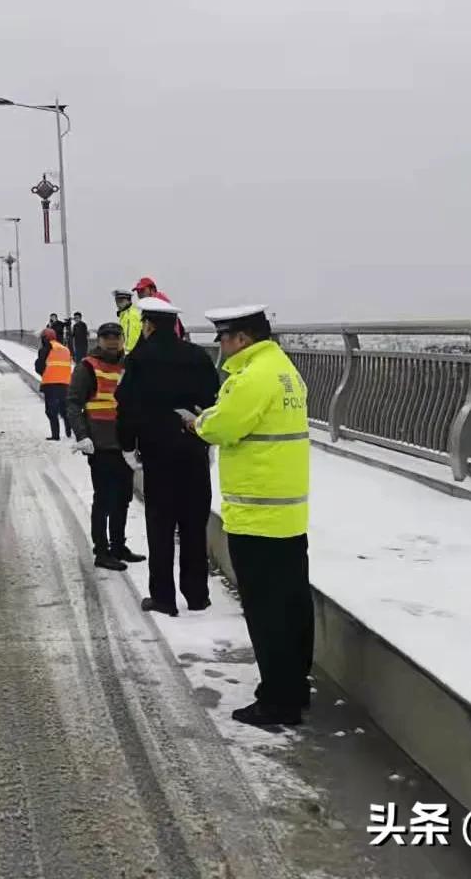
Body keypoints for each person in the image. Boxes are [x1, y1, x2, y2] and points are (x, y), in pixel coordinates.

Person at [186, 305, 312, 729]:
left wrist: (198, 423)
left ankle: (277, 702)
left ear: (241, 338)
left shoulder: (252, 378)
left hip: (256, 516)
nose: (220, 346)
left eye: (223, 338)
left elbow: (222, 428)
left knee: (266, 612)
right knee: (293, 608)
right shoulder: (284, 369)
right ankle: (294, 689)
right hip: (287, 513)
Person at [116, 297, 221, 617]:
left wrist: (127, 446)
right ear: (174, 326)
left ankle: (163, 598)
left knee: (161, 526)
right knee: (193, 523)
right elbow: (213, 401)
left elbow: (126, 407)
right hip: (193, 449)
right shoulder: (197, 356)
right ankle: (197, 595)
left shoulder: (138, 359)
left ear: (148, 325)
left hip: (157, 454)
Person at [68, 322, 141, 572]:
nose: (112, 341)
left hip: (125, 445)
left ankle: (118, 546)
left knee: (123, 499)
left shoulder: (129, 365)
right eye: (106, 337)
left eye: (116, 336)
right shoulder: (87, 367)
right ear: (98, 340)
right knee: (104, 500)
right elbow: (73, 403)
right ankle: (102, 551)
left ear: (122, 339)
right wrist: (82, 435)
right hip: (100, 445)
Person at [33, 327, 73, 440]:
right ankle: (69, 431)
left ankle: (55, 435)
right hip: (65, 383)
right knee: (64, 409)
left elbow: (40, 367)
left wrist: (41, 369)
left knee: (51, 411)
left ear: (45, 339)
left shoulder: (45, 349)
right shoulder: (65, 349)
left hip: (50, 384)